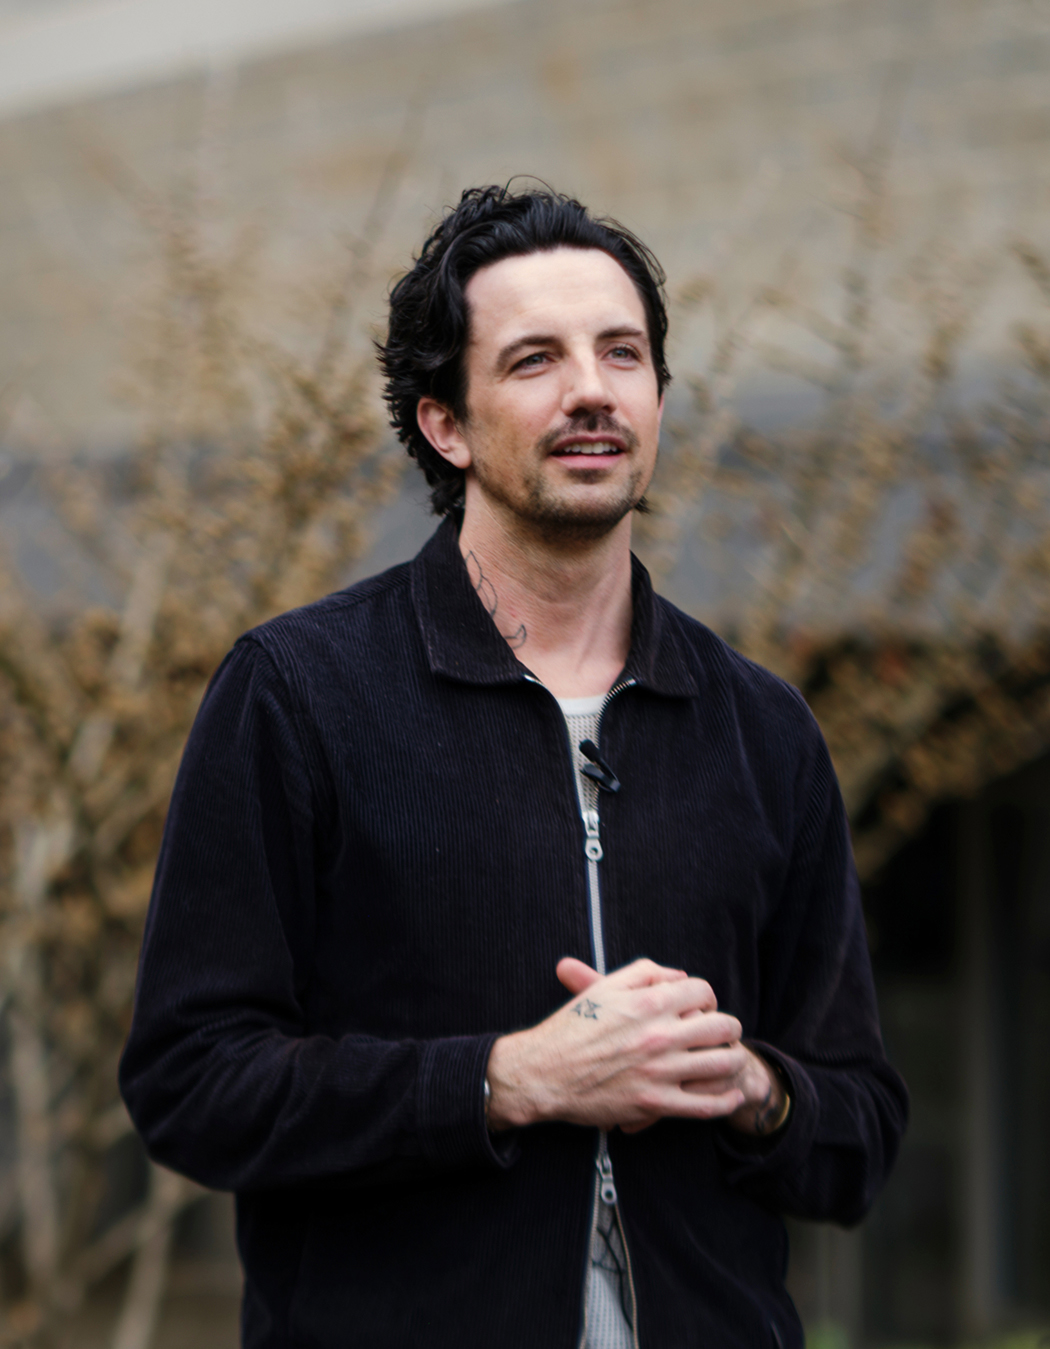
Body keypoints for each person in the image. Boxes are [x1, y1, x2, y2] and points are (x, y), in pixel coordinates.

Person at [120, 185, 908, 1349]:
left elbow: (860, 1133)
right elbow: (191, 1082)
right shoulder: (300, 691)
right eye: (535, 359)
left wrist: (756, 1087)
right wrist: (507, 1078)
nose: (592, 389)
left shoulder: (761, 725)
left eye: (622, 353)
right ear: (446, 423)